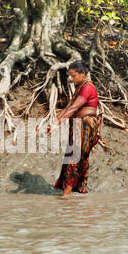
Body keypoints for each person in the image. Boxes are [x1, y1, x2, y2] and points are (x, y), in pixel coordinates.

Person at [46, 60, 102, 196]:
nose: (71, 79)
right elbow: (68, 107)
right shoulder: (80, 87)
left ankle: (66, 194)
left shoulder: (88, 87)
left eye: (73, 76)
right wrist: (55, 122)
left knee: (76, 157)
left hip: (85, 125)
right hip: (78, 125)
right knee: (73, 155)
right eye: (70, 76)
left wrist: (56, 124)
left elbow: (75, 107)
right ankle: (76, 189)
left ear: (83, 73)